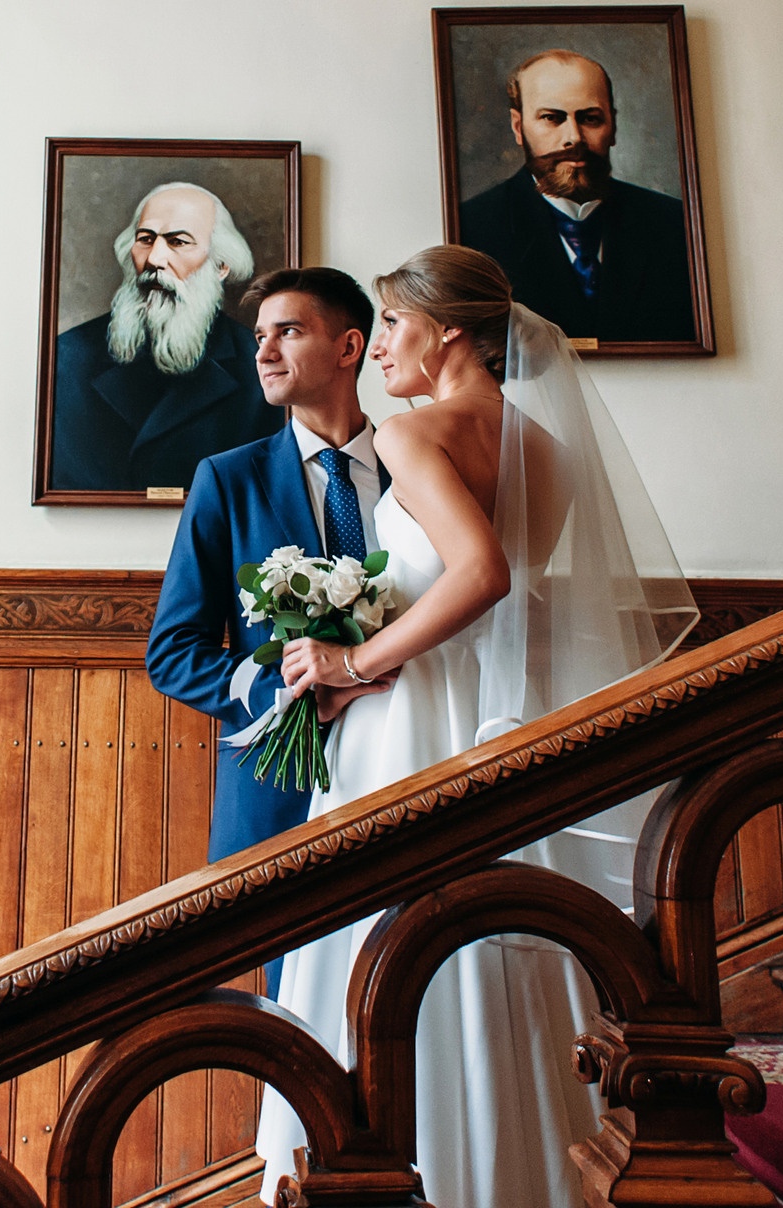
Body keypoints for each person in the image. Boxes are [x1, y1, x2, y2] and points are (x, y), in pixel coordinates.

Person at [253, 246, 696, 1208]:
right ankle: (525, 1171)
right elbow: (518, 601)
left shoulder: (413, 434)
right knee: (492, 931)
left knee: (393, 939)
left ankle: (385, 1171)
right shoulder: (550, 447)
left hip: (414, 722)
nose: (381, 353)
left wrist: (351, 659)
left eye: (393, 328)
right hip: (501, 722)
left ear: (446, 331)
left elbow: (479, 573)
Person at [147, 268, 382, 987]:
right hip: (282, 790)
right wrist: (283, 687)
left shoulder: (421, 470)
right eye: (259, 336)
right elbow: (173, 653)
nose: (264, 351)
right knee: (299, 1005)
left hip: (409, 762)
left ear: (349, 347)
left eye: (289, 331)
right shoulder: (227, 478)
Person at [50, 182, 283, 492]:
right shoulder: (69, 355)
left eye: (178, 242)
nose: (155, 259)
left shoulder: (259, 366)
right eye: (145, 239)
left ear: (221, 266)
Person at [457, 50, 695, 342]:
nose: (575, 137)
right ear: (518, 128)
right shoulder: (472, 228)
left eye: (591, 119)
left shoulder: (673, 224)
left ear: (613, 126)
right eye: (552, 118)